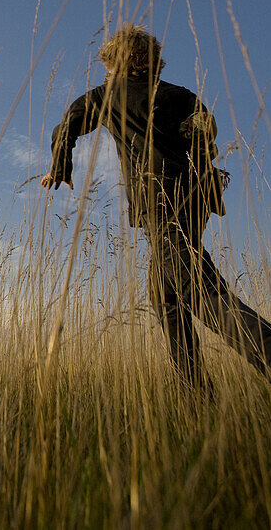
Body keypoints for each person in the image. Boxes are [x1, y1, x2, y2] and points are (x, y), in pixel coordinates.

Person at [43, 24, 271, 393]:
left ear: (120, 61)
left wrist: (60, 166)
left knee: (199, 289)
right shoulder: (182, 95)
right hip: (195, 200)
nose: (106, 69)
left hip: (159, 202)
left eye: (110, 62)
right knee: (165, 297)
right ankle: (195, 396)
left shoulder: (106, 96)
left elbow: (67, 124)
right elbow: (205, 132)